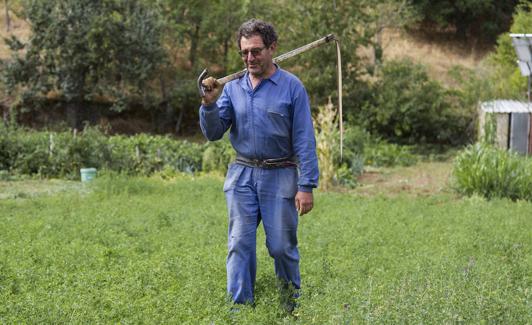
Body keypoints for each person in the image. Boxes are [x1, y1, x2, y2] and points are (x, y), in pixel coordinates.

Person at [198, 19, 319, 308]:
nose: (249, 58)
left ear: (272, 48)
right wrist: (208, 104)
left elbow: (304, 138)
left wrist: (307, 185)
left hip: (281, 174)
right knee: (239, 245)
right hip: (242, 174)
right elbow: (214, 133)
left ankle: (290, 306)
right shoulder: (232, 89)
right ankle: (241, 308)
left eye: (256, 51)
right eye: (244, 53)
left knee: (280, 248)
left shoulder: (291, 87)